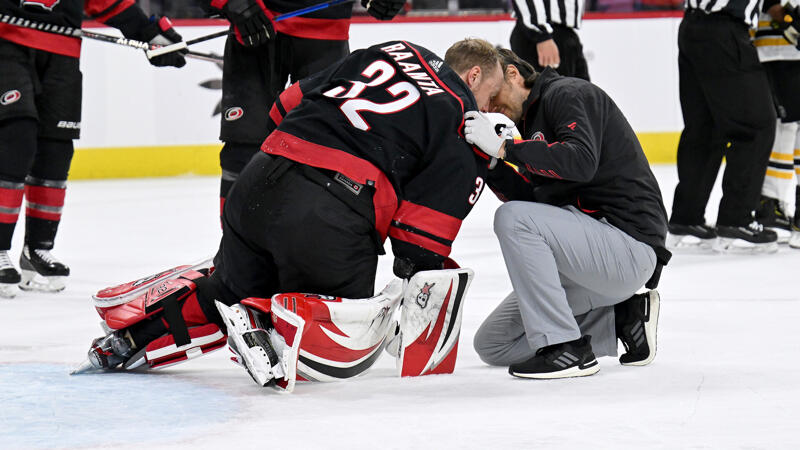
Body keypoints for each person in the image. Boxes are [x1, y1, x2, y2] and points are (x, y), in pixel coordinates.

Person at [77, 38, 505, 386]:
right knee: (352, 330)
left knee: (225, 286)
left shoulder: (394, 49)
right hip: (327, 215)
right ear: (472, 77)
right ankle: (259, 314)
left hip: (257, 182)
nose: (490, 110)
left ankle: (127, 341)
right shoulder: (461, 119)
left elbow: (284, 104)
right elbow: (420, 245)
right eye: (492, 96)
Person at [465, 49, 671, 379]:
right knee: (493, 344)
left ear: (514, 74)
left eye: (492, 94)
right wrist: (491, 165)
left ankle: (564, 349)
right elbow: (538, 204)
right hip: (590, 261)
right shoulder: (530, 128)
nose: (488, 108)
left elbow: (580, 161)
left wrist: (507, 150)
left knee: (512, 219)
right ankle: (621, 315)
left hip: (628, 243)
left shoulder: (568, 93)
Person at [0, 0, 187, 298]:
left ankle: (37, 249)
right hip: (7, 44)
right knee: (15, 138)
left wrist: (150, 33)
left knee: (56, 151)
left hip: (63, 51)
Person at [206, 0, 406, 215]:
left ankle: (310, 245)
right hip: (256, 28)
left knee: (327, 151)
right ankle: (233, 247)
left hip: (325, 34)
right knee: (242, 153)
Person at [667, 0, 778, 253]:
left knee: (705, 128)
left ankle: (686, 216)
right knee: (756, 126)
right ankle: (736, 218)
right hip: (724, 31)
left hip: (693, 28)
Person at [752, 0, 800, 247]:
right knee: (788, 127)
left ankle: (771, 203)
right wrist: (787, 19)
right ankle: (772, 204)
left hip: (771, 48)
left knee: (784, 127)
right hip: (784, 50)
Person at [508, 0, 590, 80]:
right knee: (553, 91)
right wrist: (542, 35)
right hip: (544, 33)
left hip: (563, 31)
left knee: (583, 91)